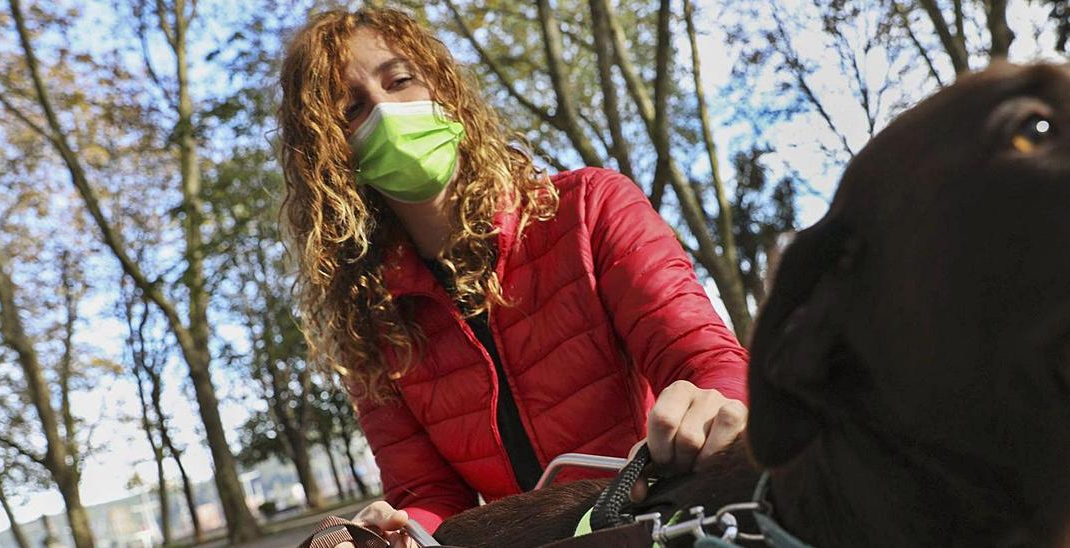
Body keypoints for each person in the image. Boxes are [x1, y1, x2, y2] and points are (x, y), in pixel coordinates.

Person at [277, 7, 748, 545]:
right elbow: (427, 496)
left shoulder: (591, 207)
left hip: (658, 522)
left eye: (400, 80)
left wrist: (715, 402)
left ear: (447, 92)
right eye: (353, 109)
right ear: (333, 156)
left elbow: (706, 360)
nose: (386, 111)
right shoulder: (371, 324)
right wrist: (392, 536)